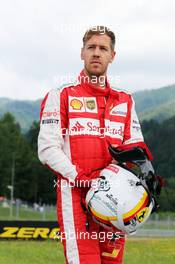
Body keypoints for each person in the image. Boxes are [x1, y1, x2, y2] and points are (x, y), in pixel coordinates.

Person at [38, 26, 153, 264]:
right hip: (76, 197)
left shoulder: (125, 99)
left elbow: (136, 147)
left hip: (115, 200)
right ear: (82, 53)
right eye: (91, 47)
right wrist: (83, 179)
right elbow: (48, 149)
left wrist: (141, 181)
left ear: (113, 55)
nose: (96, 53)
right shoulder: (61, 95)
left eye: (103, 48)